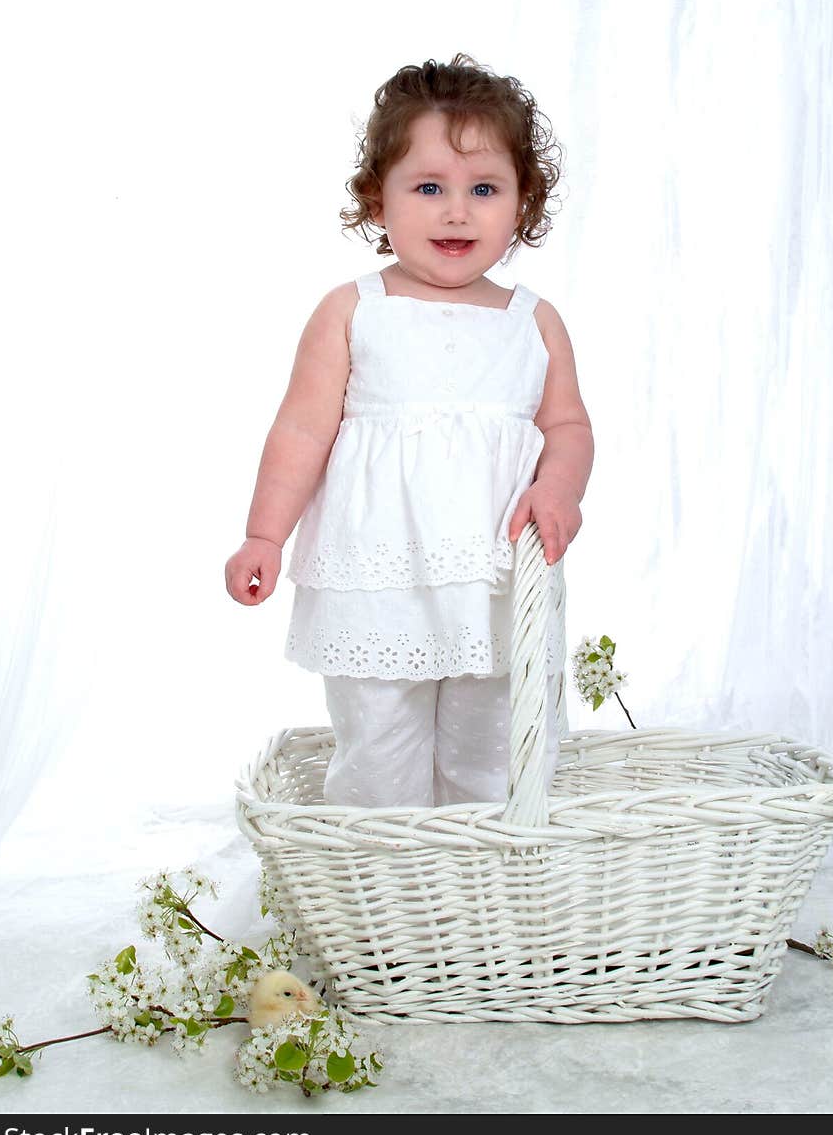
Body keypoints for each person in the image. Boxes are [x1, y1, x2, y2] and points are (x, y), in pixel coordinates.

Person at [224, 54, 594, 809]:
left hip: (495, 583)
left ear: (522, 203)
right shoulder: (353, 310)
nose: (456, 212)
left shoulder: (533, 323)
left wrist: (558, 486)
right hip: (379, 582)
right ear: (377, 197)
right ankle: (384, 902)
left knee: (498, 762)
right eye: (429, 187)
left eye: (484, 190)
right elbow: (301, 430)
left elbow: (568, 425)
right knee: (377, 757)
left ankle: (488, 899)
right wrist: (265, 534)